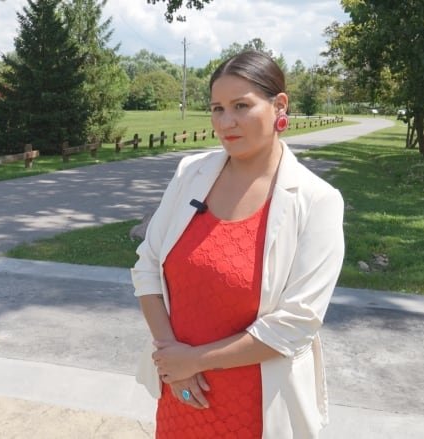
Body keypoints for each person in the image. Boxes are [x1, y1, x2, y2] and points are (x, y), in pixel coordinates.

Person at [131, 50, 345, 439]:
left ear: (279, 105)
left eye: (241, 106)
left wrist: (193, 361)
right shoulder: (190, 174)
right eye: (217, 108)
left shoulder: (317, 200)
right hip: (181, 395)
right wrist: (170, 357)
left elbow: (296, 324)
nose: (226, 123)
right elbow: (147, 265)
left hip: (257, 408)